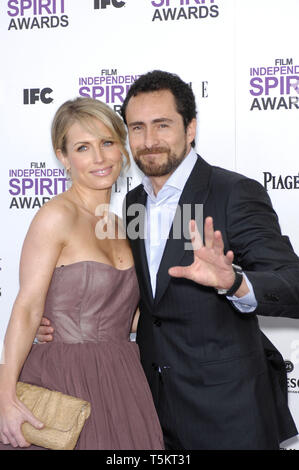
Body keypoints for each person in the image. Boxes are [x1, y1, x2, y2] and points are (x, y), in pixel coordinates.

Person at [37, 71, 299, 450]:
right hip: (147, 409)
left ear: (190, 128)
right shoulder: (133, 204)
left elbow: (292, 280)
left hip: (228, 412)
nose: (149, 141)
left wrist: (235, 283)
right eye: (137, 128)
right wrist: (68, 323)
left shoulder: (232, 193)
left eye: (163, 125)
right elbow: (146, 299)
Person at [0, 97, 164, 450]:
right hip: (64, 376)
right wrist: (5, 397)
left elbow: (128, 314)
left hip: (123, 378)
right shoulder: (56, 216)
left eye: (107, 143)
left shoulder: (125, 225)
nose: (100, 158)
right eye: (83, 147)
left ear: (121, 148)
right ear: (63, 157)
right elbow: (27, 307)